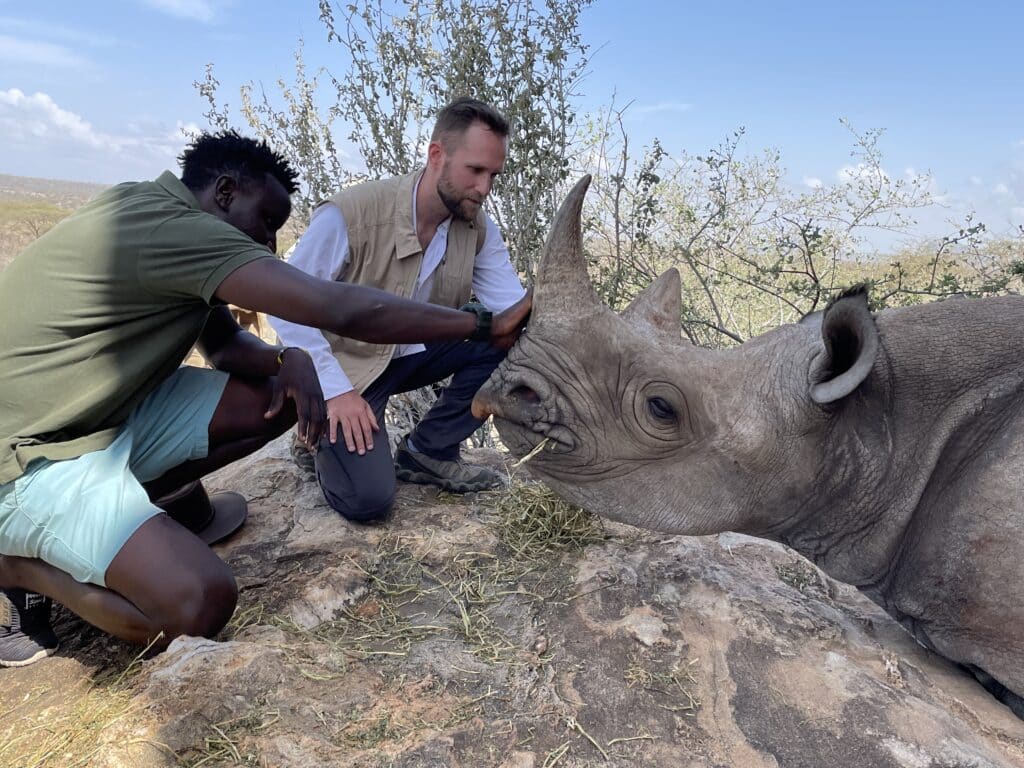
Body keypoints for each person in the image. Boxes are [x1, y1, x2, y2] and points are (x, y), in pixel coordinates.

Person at [0, 130, 531, 666]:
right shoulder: (175, 232)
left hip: (101, 421)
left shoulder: (153, 211)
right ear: (226, 193)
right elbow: (336, 307)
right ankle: (17, 566)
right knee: (198, 603)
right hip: (27, 456)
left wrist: (284, 360)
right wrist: (479, 323)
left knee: (281, 393)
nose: (270, 244)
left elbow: (224, 345)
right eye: (267, 222)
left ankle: (141, 506)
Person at [270, 97, 526, 524]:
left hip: (410, 355)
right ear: (436, 154)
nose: (485, 189)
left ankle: (429, 450)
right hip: (346, 369)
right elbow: (283, 304)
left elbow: (512, 312)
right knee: (367, 500)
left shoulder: (476, 227)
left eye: (493, 175)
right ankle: (313, 437)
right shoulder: (351, 214)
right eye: (475, 171)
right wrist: (334, 392)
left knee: (507, 341)